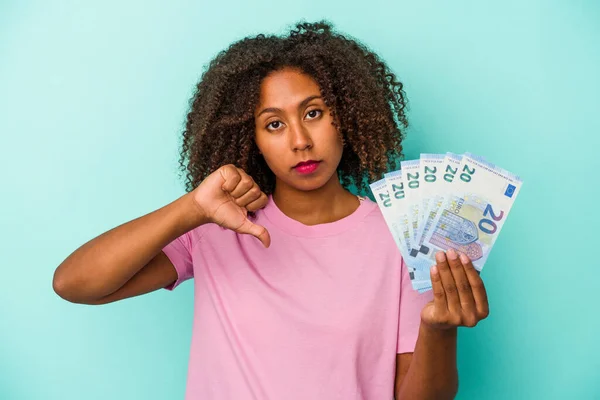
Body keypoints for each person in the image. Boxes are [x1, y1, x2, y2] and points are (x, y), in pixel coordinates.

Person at [52, 21, 489, 400]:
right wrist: (189, 209)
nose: (300, 140)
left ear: (349, 117)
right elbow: (74, 283)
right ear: (252, 138)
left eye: (314, 113)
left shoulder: (402, 236)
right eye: (274, 123)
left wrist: (438, 329)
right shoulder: (217, 227)